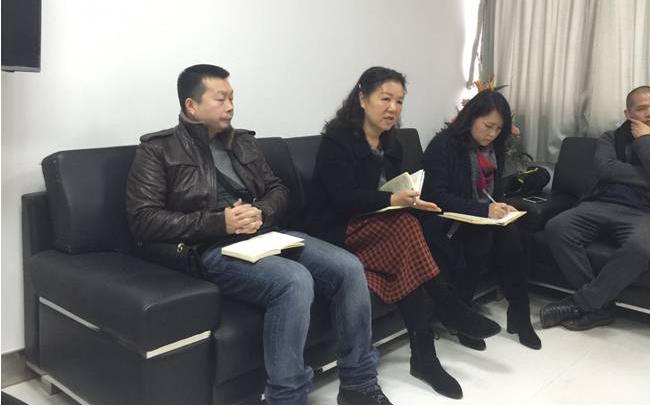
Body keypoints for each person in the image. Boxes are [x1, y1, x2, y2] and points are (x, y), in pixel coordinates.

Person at [125, 64, 390, 405]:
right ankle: (286, 398)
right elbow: (143, 219)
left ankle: (359, 385)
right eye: (220, 99)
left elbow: (278, 189)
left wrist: (261, 211)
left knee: (349, 267)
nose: (230, 106)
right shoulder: (157, 150)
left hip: (266, 234)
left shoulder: (243, 142)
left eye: (232, 98)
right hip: (211, 248)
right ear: (191, 106)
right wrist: (220, 223)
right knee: (294, 281)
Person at [309, 66, 501, 400]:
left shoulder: (391, 144)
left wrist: (413, 201)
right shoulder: (337, 141)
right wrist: (392, 201)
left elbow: (397, 191)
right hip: (339, 230)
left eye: (399, 101)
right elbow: (342, 200)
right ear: (362, 98)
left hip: (382, 230)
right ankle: (446, 311)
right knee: (406, 228)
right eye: (385, 99)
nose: (393, 108)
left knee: (410, 231)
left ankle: (425, 355)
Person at [540, 86, 650, 331]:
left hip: (646, 213)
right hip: (601, 203)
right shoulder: (610, 138)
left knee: (640, 247)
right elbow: (606, 169)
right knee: (557, 227)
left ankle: (585, 303)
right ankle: (600, 306)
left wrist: (644, 139)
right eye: (642, 108)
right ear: (628, 113)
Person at [419, 89, 542, 351]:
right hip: (443, 219)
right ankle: (462, 316)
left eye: (498, 129)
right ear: (471, 117)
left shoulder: (493, 149)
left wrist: (500, 206)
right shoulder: (443, 145)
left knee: (512, 234)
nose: (492, 134)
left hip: (476, 216)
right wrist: (482, 210)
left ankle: (519, 313)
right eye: (488, 126)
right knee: (480, 237)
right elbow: (435, 195)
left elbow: (493, 192)